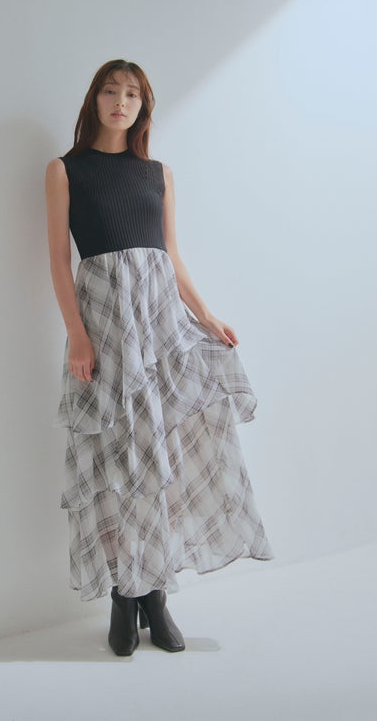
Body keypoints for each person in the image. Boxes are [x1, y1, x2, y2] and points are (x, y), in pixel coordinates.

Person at [45, 59, 274, 657]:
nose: (121, 102)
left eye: (132, 95)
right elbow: (58, 260)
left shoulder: (159, 174)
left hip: (158, 327)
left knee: (160, 455)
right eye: (110, 91)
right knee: (116, 458)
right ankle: (124, 597)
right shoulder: (65, 170)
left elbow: (171, 256)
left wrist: (207, 316)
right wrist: (76, 334)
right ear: (94, 99)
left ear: (144, 107)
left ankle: (154, 596)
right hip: (104, 327)